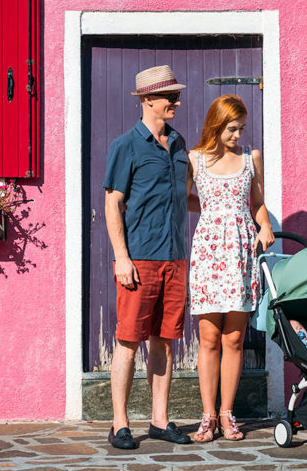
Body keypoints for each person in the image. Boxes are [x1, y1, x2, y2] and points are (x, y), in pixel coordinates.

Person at [103, 65, 193, 450]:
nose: (176, 101)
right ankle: (120, 423)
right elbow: (112, 203)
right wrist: (121, 258)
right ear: (147, 100)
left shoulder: (179, 143)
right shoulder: (125, 146)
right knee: (127, 340)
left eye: (176, 95)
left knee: (165, 341)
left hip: (175, 259)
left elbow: (185, 198)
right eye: (169, 96)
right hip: (139, 260)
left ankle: (159, 420)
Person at [186, 95, 274, 442]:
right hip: (208, 251)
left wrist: (264, 225)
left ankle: (227, 413)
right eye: (232, 128)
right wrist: (213, 209)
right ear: (216, 124)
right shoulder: (195, 159)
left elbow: (258, 203)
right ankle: (207, 415)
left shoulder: (251, 158)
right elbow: (183, 197)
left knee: (234, 338)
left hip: (241, 252)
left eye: (241, 128)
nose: (238, 134)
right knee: (208, 338)